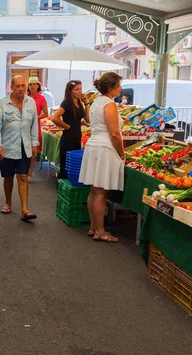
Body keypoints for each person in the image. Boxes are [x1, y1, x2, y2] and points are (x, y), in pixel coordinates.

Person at [79, 72, 124, 243]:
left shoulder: (96, 101)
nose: (121, 88)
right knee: (101, 193)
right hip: (105, 148)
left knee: (94, 191)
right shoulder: (110, 104)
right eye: (118, 85)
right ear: (110, 87)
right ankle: (100, 231)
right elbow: (114, 133)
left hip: (93, 145)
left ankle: (93, 227)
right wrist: (121, 152)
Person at [0, 75, 39, 221]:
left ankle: (25, 209)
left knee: (23, 176)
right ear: (11, 88)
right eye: (17, 86)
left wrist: (34, 143)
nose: (21, 89)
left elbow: (34, 125)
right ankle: (8, 202)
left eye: (23, 86)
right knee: (8, 177)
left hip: (24, 146)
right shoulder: (2, 104)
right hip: (7, 146)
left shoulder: (30, 103)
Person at [51, 80, 90, 179]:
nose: (80, 91)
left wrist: (86, 104)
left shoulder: (79, 103)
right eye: (77, 89)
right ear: (70, 91)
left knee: (74, 165)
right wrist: (66, 126)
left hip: (77, 137)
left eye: (81, 89)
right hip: (68, 139)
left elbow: (87, 119)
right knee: (66, 166)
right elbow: (54, 117)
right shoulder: (67, 103)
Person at [26, 76, 49, 182]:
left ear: (38, 86)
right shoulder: (25, 97)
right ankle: (23, 171)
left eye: (34, 84)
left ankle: (29, 174)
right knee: (24, 149)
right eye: (30, 84)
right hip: (24, 127)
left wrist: (35, 117)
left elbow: (46, 114)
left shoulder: (42, 98)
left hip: (36, 127)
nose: (32, 86)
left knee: (34, 151)